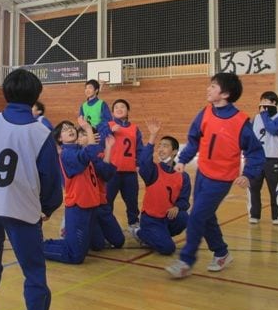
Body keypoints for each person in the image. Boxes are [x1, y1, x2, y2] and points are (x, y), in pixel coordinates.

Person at [0, 69, 62, 310]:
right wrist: (48, 207)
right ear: (35, 97)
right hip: (21, 208)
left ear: (5, 92)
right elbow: (52, 179)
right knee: (33, 271)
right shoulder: (41, 133)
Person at [165, 72, 265, 279]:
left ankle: (186, 261)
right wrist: (183, 160)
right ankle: (221, 253)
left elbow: (255, 152)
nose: (208, 89)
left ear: (225, 93)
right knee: (206, 215)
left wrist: (248, 174)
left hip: (221, 180)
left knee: (196, 217)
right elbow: (194, 140)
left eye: (213, 86)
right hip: (202, 174)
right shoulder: (205, 113)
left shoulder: (241, 122)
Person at [43, 117, 116, 263]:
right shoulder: (66, 153)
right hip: (78, 207)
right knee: (75, 256)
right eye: (64, 129)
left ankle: (67, 240)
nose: (70, 129)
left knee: (98, 245)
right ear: (59, 138)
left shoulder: (79, 150)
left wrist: (108, 148)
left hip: (92, 206)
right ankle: (37, 247)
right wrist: (88, 130)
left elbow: (106, 173)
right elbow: (88, 153)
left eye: (71, 127)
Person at [134, 119, 190, 255]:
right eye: (160, 146)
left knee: (184, 217)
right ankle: (140, 232)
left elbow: (184, 200)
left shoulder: (183, 175)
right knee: (168, 249)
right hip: (151, 219)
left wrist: (177, 207)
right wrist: (152, 137)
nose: (160, 149)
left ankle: (159, 236)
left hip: (167, 218)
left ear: (174, 151)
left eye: (165, 146)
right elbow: (143, 162)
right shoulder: (153, 170)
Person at [247, 91, 278, 225]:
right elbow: (251, 137)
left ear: (274, 103)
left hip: (273, 159)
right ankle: (254, 214)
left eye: (267, 102)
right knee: (253, 188)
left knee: (275, 189)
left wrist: (264, 115)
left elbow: (275, 130)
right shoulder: (256, 118)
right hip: (257, 160)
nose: (263, 104)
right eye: (261, 101)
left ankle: (277, 217)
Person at [106, 99, 144, 233]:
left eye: (122, 106)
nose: (119, 109)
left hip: (129, 172)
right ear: (112, 112)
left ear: (128, 111)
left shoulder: (134, 129)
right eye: (116, 107)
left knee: (132, 202)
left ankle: (134, 225)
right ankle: (108, 228)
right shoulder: (107, 125)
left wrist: (139, 163)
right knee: (107, 202)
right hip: (111, 172)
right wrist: (109, 130)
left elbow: (140, 148)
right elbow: (99, 141)